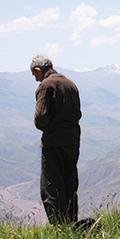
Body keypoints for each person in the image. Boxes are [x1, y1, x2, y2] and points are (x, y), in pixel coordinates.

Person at [31, 55, 82, 226]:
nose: (35, 78)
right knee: (69, 185)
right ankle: (72, 224)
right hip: (73, 142)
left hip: (53, 143)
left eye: (34, 74)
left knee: (51, 187)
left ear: (38, 70)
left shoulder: (46, 86)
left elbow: (41, 118)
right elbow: (78, 114)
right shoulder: (70, 84)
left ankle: (60, 229)